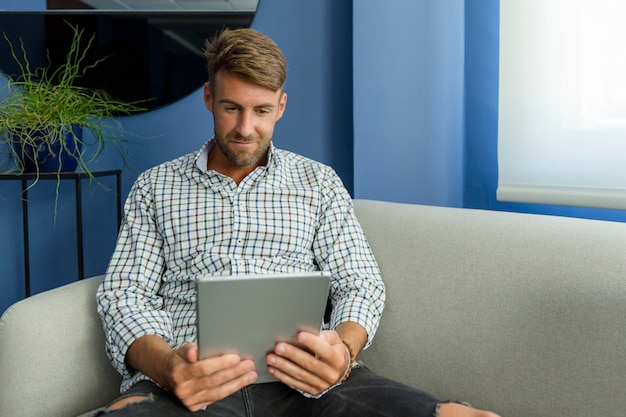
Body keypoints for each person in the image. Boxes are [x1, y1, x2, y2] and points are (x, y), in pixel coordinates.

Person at [93, 28, 500, 417]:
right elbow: (125, 294)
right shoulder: (155, 187)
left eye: (262, 110)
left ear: (281, 107)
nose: (245, 128)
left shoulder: (318, 183)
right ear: (208, 98)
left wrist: (342, 350)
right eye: (231, 108)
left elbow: (360, 282)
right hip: (192, 384)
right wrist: (168, 368)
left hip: (307, 385)